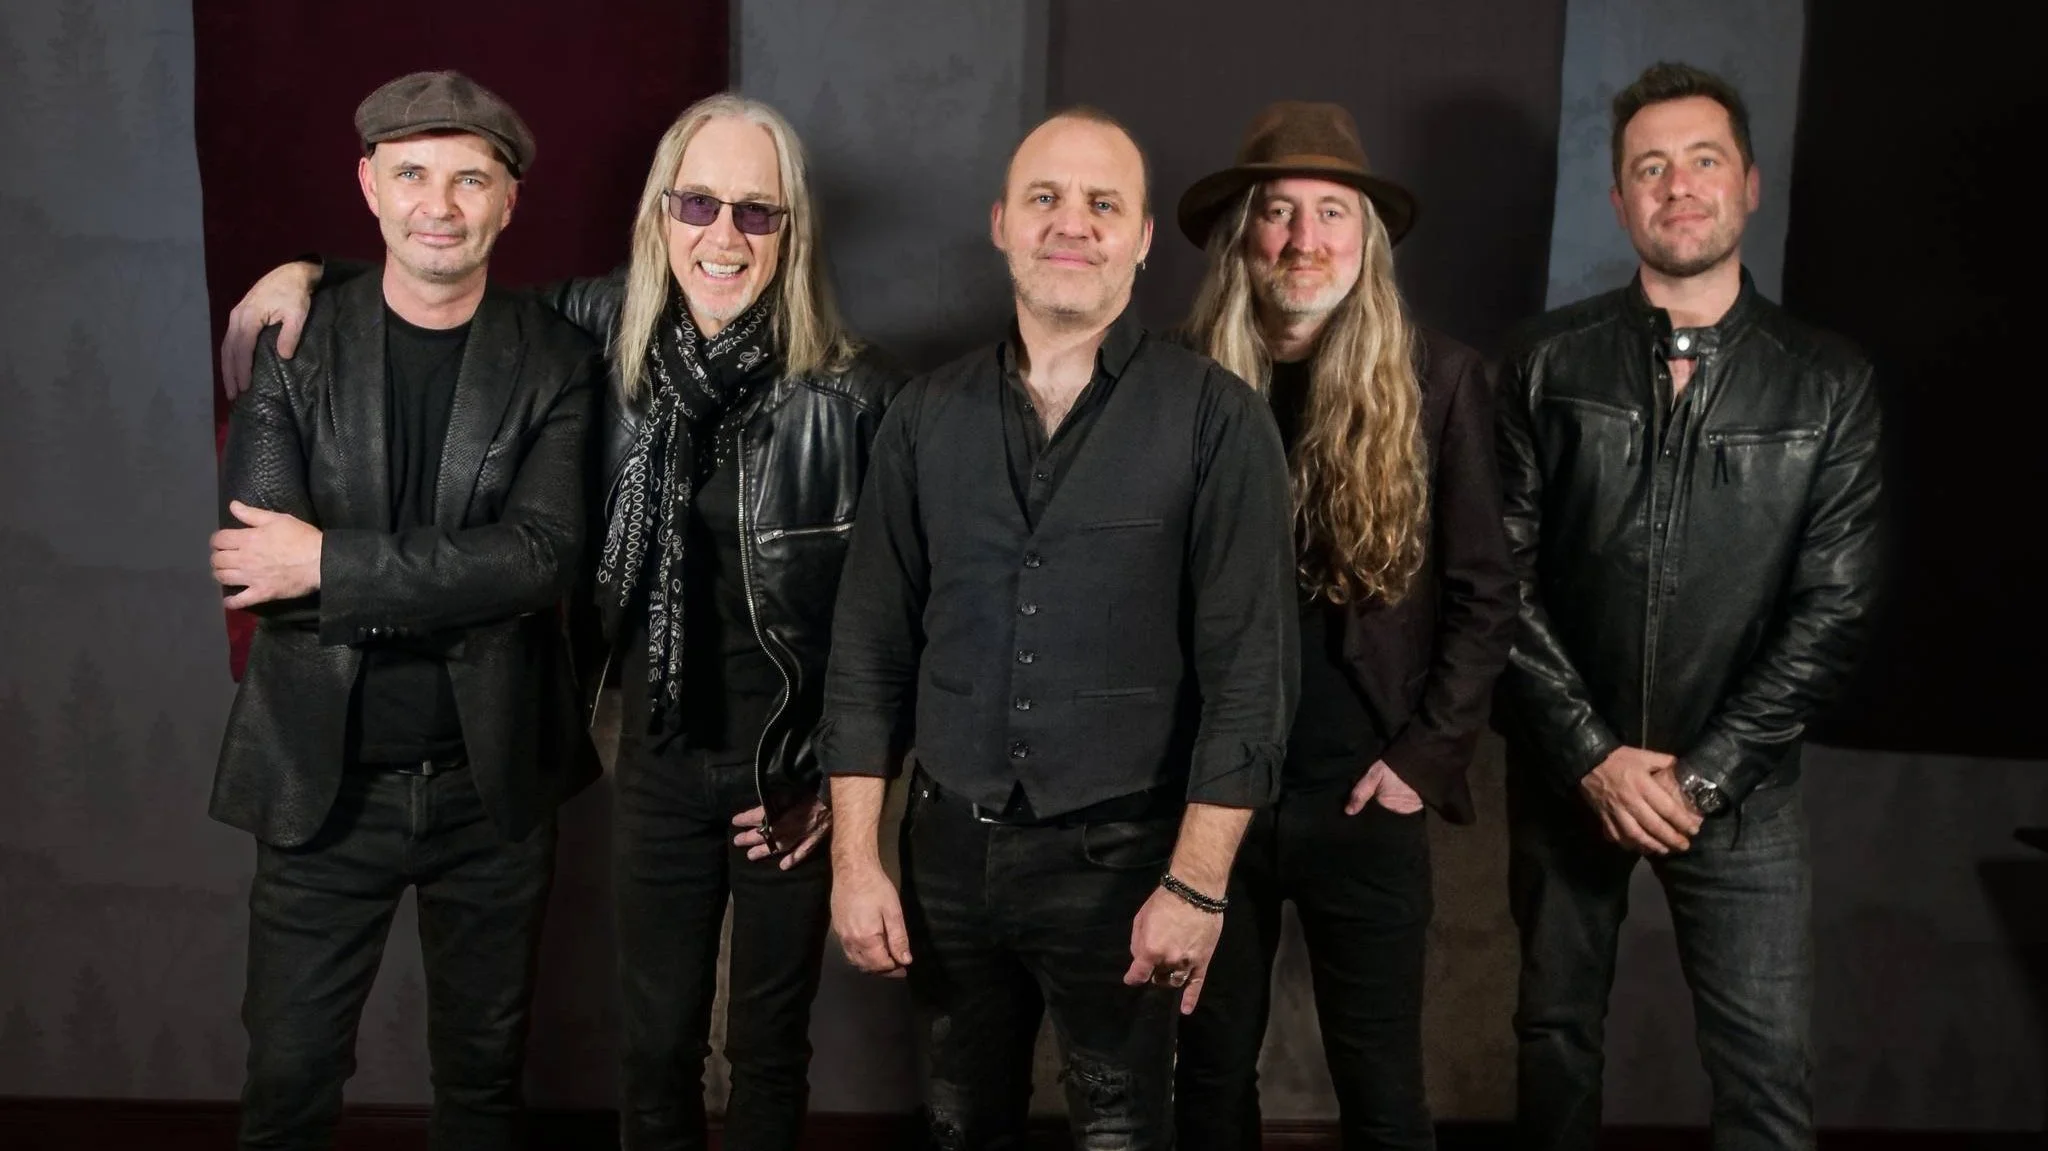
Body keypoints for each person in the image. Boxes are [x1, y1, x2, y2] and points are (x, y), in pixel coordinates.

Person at [218, 92, 904, 1151]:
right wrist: (309, 270)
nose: (723, 235)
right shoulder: (605, 330)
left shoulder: (853, 395)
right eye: (698, 203)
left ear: (790, 229)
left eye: (756, 212)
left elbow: (880, 622)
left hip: (782, 762)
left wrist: (840, 794)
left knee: (765, 1049)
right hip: (652, 756)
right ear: (661, 214)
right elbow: (443, 276)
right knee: (653, 1048)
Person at [817, 106, 1297, 1150]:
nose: (1070, 222)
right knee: (957, 1127)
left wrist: (1195, 883)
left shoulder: (1217, 418)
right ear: (1001, 222)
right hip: (947, 860)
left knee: (1123, 1135)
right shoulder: (921, 416)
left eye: (1101, 204)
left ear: (1139, 238)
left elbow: (1250, 678)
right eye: (1044, 197)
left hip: (1127, 861)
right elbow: (866, 651)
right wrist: (855, 862)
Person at [1495, 61, 1883, 1150]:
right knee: (1552, 1046)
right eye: (1649, 167)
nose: (1677, 186)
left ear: (1748, 183)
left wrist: (1703, 773)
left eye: (1702, 160)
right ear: (1619, 199)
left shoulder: (1826, 381)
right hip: (1569, 775)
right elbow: (1497, 582)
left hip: (1742, 789)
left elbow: (1834, 607)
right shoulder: (1538, 362)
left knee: (1764, 1071)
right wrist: (1591, 755)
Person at [209, 70, 600, 1150]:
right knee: (288, 1079)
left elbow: (539, 558)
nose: (440, 203)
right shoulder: (294, 344)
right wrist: (450, 577)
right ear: (368, 186)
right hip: (323, 779)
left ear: (508, 201)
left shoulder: (557, 360)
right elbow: (258, 568)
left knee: (482, 1084)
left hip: (491, 781)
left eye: (470, 179)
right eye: (412, 173)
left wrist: (328, 562)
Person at [1170, 100, 1518, 1151]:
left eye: (1331, 212)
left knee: (1382, 1087)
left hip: (1364, 792)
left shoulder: (1440, 380)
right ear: (1242, 236)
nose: (1303, 239)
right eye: (1278, 211)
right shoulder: (1174, 382)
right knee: (1207, 1078)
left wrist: (1423, 757)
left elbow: (1485, 589)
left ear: (1366, 240)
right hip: (1210, 796)